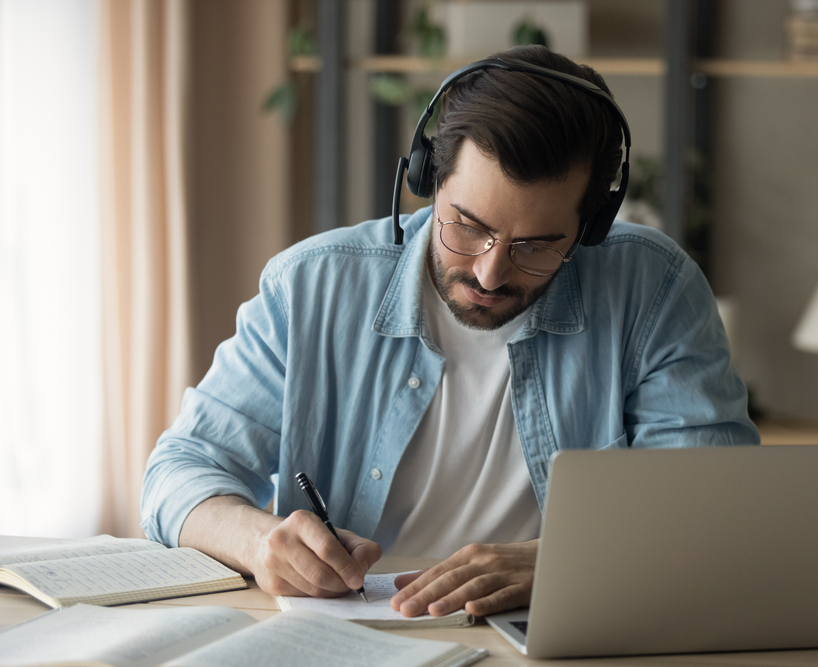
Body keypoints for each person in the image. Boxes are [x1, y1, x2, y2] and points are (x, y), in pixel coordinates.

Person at [140, 45, 759, 620]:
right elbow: (178, 472)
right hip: (352, 634)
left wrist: (560, 560)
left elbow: (714, 505)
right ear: (429, 180)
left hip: (559, 629)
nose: (491, 271)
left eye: (537, 245)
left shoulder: (654, 288)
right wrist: (259, 541)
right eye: (465, 225)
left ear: (589, 228)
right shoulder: (311, 287)